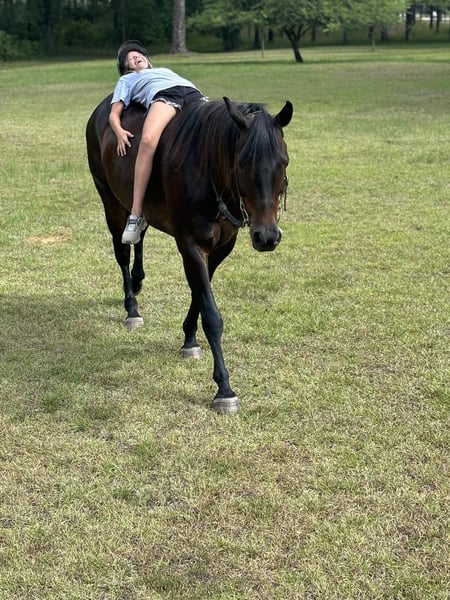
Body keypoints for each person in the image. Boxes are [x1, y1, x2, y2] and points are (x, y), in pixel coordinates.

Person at [109, 40, 208, 244]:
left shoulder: (164, 70)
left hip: (193, 94)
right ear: (126, 67)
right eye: (130, 58)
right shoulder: (127, 80)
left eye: (139, 54)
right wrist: (118, 131)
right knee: (147, 140)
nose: (136, 57)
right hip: (165, 97)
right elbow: (114, 113)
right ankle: (136, 214)